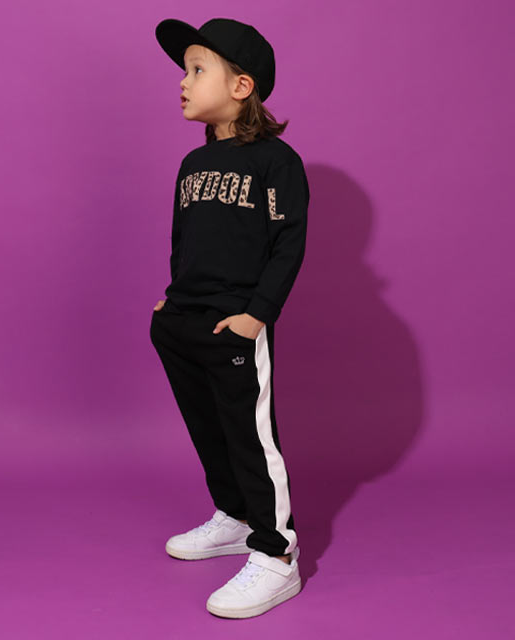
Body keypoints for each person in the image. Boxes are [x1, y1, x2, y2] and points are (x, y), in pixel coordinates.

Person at [150, 17, 310, 619]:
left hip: (234, 327)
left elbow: (287, 245)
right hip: (183, 322)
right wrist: (171, 301)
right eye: (184, 71)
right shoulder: (192, 164)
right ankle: (236, 518)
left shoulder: (276, 161)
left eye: (197, 70)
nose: (183, 82)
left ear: (242, 86)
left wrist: (256, 316)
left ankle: (276, 554)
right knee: (208, 427)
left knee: (249, 435)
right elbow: (185, 242)